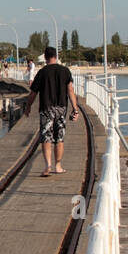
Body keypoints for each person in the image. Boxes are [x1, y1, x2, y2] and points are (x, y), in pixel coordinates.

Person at [23, 46, 80, 177]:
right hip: (61, 108)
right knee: (59, 138)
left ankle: (48, 165)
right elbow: (70, 90)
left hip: (46, 109)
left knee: (46, 137)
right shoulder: (65, 71)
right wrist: (75, 108)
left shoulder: (42, 72)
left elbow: (33, 93)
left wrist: (28, 107)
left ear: (45, 57)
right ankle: (58, 166)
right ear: (56, 56)